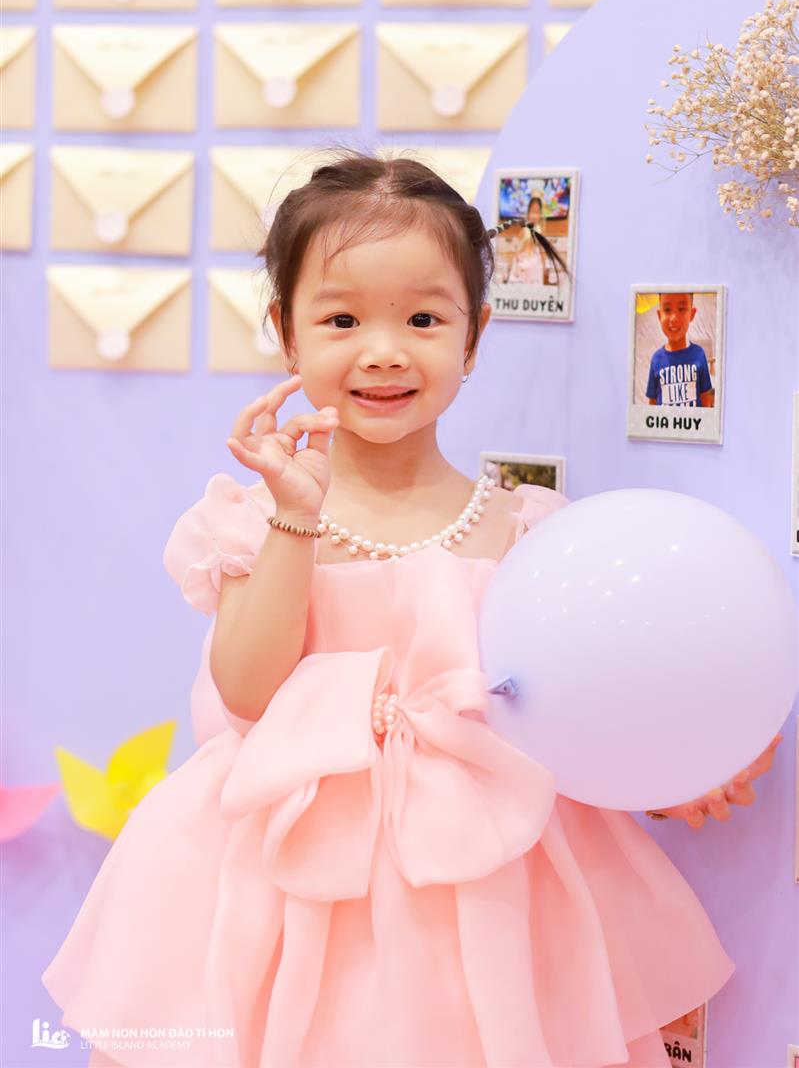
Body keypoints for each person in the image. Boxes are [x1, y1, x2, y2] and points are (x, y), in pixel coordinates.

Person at [41, 152, 780, 1068]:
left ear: (472, 337)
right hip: (285, 872)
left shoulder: (523, 532)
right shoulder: (255, 521)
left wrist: (677, 769)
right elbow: (246, 694)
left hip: (491, 883)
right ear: (286, 334)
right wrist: (294, 516)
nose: (384, 350)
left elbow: (574, 708)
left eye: (423, 319)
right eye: (342, 319)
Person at [646, 292, 715, 407]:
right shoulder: (656, 359)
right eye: (667, 310)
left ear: (692, 314)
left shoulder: (699, 354)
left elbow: (706, 398)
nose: (674, 318)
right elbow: (652, 403)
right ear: (659, 315)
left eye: (681, 309)